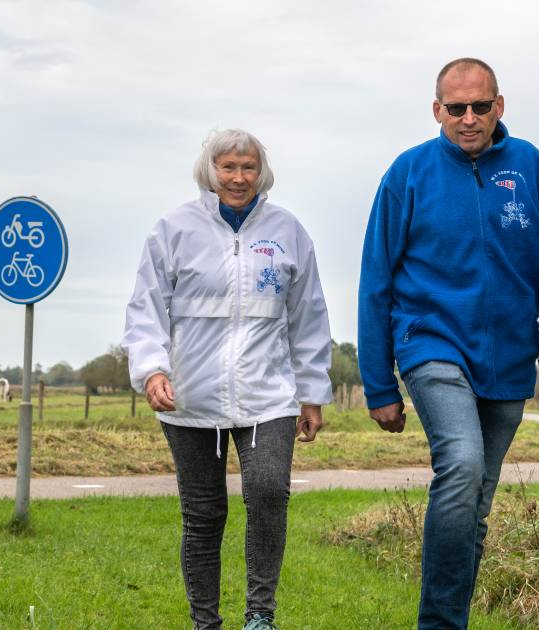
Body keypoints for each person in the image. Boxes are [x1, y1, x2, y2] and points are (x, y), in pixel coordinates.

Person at [358, 58, 539, 629]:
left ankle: (451, 620)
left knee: (474, 508)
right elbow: (376, 280)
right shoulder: (408, 175)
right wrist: (379, 384)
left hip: (509, 359)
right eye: (455, 108)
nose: (468, 119)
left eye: (480, 106)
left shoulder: (534, 171)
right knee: (463, 464)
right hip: (432, 344)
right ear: (436, 111)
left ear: (499, 106)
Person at [122, 128, 333, 630]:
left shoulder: (289, 232)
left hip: (269, 396)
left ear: (262, 173)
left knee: (266, 493)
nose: (239, 178)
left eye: (248, 167)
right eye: (228, 167)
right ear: (209, 171)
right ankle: (205, 622)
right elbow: (145, 309)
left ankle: (260, 615)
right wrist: (152, 369)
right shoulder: (173, 229)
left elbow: (309, 317)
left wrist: (312, 394)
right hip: (190, 400)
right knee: (203, 515)